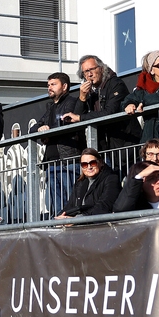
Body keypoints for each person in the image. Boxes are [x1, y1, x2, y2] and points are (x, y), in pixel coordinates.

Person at [32, 72, 82, 214]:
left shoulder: (71, 102)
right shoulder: (50, 108)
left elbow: (65, 123)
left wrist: (48, 130)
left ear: (64, 86)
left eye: (53, 84)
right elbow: (33, 128)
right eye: (48, 85)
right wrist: (42, 129)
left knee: (70, 202)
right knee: (55, 205)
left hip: (68, 160)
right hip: (52, 163)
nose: (49, 88)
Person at [71, 55, 140, 150]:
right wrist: (82, 97)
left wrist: (80, 118)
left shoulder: (115, 84)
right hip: (103, 147)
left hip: (126, 142)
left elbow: (110, 112)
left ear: (102, 69)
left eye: (92, 69)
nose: (89, 74)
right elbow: (76, 121)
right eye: (86, 72)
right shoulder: (89, 91)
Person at [55, 149, 120, 220]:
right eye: (84, 164)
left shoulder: (111, 179)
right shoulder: (80, 182)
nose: (89, 167)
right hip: (80, 223)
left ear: (101, 162)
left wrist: (78, 219)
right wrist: (61, 216)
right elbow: (70, 205)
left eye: (93, 163)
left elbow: (104, 205)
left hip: (100, 224)